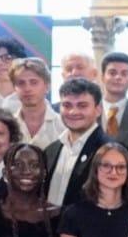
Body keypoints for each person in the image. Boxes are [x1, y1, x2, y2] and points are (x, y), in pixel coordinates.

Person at [44, 77, 108, 210]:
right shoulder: (51, 150)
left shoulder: (109, 151)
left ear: (98, 110)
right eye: (67, 105)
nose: (73, 112)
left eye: (82, 105)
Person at [99, 51, 128, 158]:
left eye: (124, 73)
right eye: (112, 73)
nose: (118, 77)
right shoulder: (90, 112)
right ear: (102, 78)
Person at [10, 56, 64, 148]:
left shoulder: (63, 125)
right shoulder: (7, 125)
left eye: (34, 82)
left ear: (47, 86)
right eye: (21, 83)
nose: (27, 89)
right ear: (14, 88)